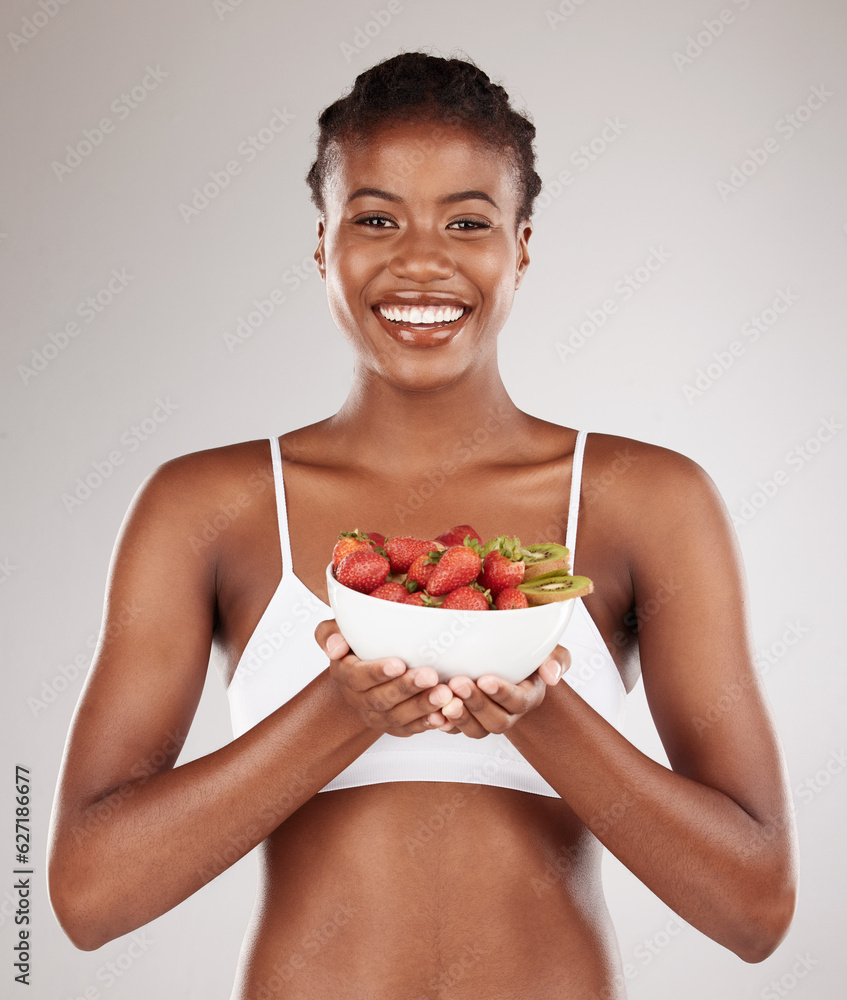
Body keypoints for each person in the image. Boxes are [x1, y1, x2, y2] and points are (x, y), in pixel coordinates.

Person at [47, 51, 798, 999]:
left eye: (468, 222)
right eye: (374, 219)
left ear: (520, 246)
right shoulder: (207, 505)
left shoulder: (645, 498)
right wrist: (338, 711)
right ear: (322, 243)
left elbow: (755, 911)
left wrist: (541, 713)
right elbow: (85, 897)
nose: (421, 260)